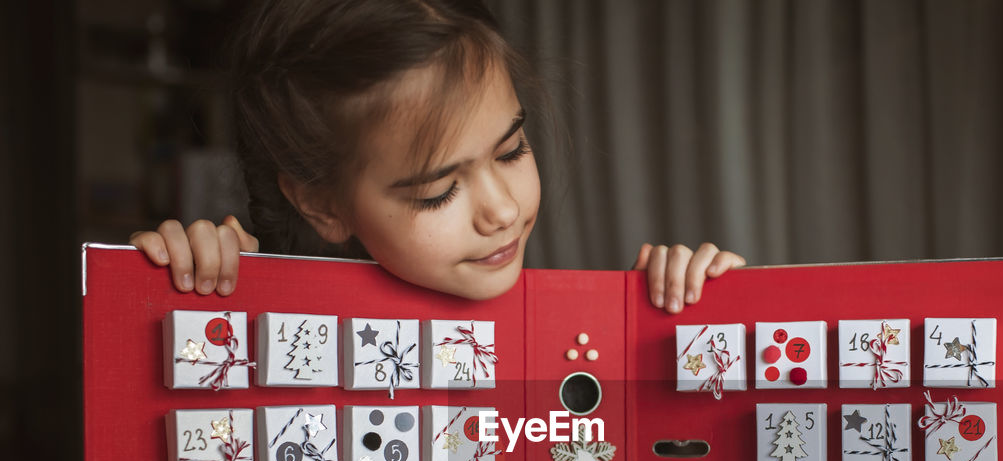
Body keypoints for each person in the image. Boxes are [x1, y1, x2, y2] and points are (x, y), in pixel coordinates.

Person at [129, 0, 743, 314]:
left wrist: (689, 307)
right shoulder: (261, 321)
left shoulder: (584, 334)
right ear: (320, 202)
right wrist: (191, 287)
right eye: (437, 192)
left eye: (511, 151)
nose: (501, 210)